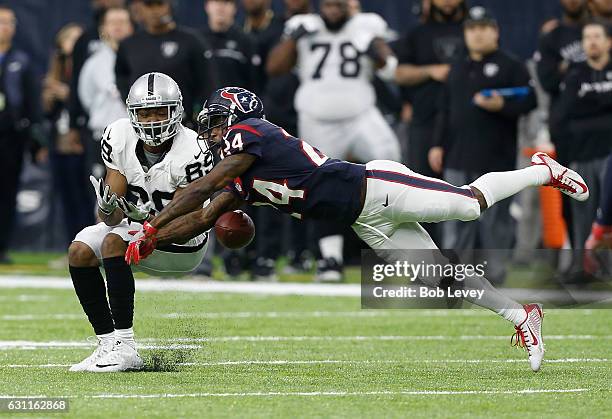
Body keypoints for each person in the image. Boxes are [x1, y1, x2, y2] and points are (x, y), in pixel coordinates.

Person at [126, 86, 590, 372]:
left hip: (376, 187)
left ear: (233, 119)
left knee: (468, 205)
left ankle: (542, 171)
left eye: (212, 127)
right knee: (439, 278)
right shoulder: (243, 176)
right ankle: (521, 316)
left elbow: (205, 185)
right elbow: (205, 215)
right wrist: (149, 240)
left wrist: (151, 222)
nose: (208, 136)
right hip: (364, 221)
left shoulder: (254, 134)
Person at [67, 73, 214, 373]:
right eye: (145, 113)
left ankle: (126, 347)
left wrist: (147, 222)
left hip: (182, 242)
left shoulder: (193, 150)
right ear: (132, 114)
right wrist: (107, 206)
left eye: (161, 111)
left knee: (114, 242)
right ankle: (108, 344)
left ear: (177, 111)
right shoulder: (118, 136)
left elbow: (191, 219)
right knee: (79, 250)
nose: (152, 120)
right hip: (141, 228)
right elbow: (110, 220)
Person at [267, 0, 401, 281]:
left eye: (338, 3)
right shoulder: (302, 25)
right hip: (317, 118)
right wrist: (293, 40)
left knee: (393, 172)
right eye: (328, 3)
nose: (333, 8)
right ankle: (331, 260)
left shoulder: (367, 24)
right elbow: (274, 67)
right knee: (320, 186)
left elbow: (389, 68)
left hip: (361, 113)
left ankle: (399, 255)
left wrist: (374, 47)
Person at [429, 7, 537, 283]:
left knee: (495, 222)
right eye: (471, 29)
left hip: (495, 159)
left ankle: (494, 276)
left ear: (495, 31)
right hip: (457, 156)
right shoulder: (458, 68)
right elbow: (444, 110)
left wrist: (502, 105)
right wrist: (437, 145)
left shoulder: (511, 65)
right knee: (454, 217)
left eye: (483, 28)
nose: (477, 34)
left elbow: (530, 100)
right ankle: (454, 275)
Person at [553, 21, 612, 259]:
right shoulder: (575, 74)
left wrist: (588, 101)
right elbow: (564, 112)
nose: (592, 41)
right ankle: (582, 266)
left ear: (609, 41)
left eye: (597, 36)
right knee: (582, 214)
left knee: (609, 214)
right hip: (581, 154)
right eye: (587, 37)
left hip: (610, 155)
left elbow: (579, 107)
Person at [115, 0, 217, 127]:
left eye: (160, 4)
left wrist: (199, 115)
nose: (155, 11)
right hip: (143, 126)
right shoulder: (128, 45)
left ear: (170, 6)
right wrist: (132, 104)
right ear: (140, 8)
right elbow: (121, 77)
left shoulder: (192, 41)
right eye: (149, 5)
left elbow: (207, 82)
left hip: (185, 124)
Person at [43, 23, 94, 248]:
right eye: (69, 38)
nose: (74, 43)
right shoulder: (56, 70)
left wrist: (68, 94)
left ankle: (89, 246)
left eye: (78, 38)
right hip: (59, 144)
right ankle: (71, 247)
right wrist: (49, 96)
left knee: (86, 198)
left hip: (81, 143)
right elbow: (45, 112)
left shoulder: (89, 69)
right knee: (67, 199)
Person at [0, 5, 44, 264]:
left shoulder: (22, 60)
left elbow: (33, 102)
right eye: (1, 22)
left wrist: (36, 135)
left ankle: (2, 246)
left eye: (9, 22)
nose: (5, 27)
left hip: (11, 137)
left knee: (6, 191)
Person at [535, 0, 589, 166]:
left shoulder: (599, 30)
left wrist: (567, 67)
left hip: (603, 123)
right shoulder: (551, 37)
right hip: (566, 126)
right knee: (571, 188)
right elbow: (547, 82)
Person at [79, 6, 134, 140]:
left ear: (131, 27)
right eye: (112, 22)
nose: (117, 26)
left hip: (137, 135)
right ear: (102, 28)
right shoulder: (94, 62)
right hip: (103, 134)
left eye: (122, 22)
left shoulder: (142, 58)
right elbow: (86, 97)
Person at [201, 0, 259, 91]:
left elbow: (255, 83)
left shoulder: (247, 41)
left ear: (235, 8)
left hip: (236, 103)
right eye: (216, 2)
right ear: (207, 6)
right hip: (203, 104)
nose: (220, 8)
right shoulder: (196, 40)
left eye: (226, 2)